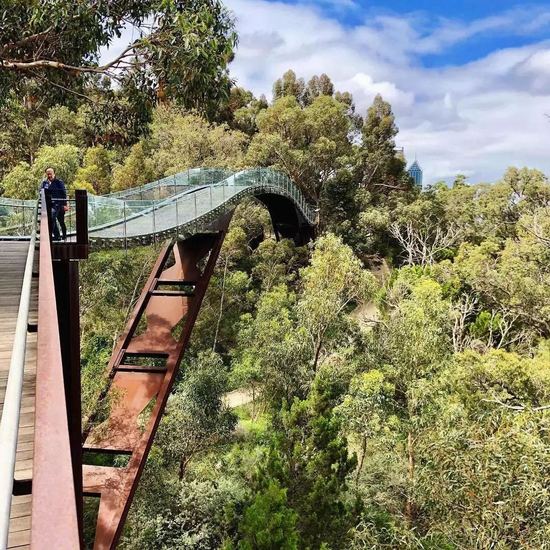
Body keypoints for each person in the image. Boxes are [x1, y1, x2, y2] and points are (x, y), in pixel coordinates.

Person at [40, 167, 68, 241]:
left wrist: (65, 204)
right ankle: (56, 235)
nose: (49, 175)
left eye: (50, 174)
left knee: (61, 221)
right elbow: (41, 192)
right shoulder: (44, 183)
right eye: (48, 174)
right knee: (52, 218)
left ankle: (64, 235)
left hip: (59, 204)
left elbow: (63, 193)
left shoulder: (59, 182)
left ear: (54, 174)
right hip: (49, 205)